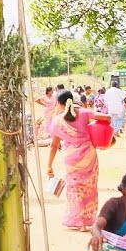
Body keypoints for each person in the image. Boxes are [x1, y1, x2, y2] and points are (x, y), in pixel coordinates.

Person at [46, 90, 99, 230]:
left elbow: (54, 145)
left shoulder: (58, 120)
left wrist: (49, 165)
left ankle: (78, 220)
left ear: (59, 103)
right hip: (89, 155)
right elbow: (105, 118)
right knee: (89, 188)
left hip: (72, 158)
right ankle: (88, 219)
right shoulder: (84, 112)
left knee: (75, 188)